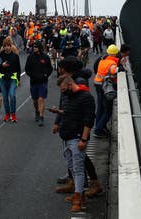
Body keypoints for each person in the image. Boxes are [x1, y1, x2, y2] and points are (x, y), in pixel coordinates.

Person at [50, 63, 95, 213]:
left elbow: (89, 119)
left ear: (70, 85)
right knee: (73, 168)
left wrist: (83, 139)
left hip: (76, 138)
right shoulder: (69, 97)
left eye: (63, 89)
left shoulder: (85, 97)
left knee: (78, 168)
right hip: (67, 137)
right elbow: (69, 113)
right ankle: (80, 194)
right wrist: (58, 113)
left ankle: (78, 199)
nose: (63, 93)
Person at [92, 44, 120, 138]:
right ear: (116, 54)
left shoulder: (102, 60)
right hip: (106, 87)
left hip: (98, 84)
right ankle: (98, 130)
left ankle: (99, 127)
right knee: (107, 110)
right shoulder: (112, 63)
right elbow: (114, 71)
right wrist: (122, 68)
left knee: (100, 108)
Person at [24, 42, 53, 126]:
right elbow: (27, 69)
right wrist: (32, 75)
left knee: (41, 99)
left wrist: (45, 75)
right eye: (33, 47)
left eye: (36, 47)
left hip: (43, 82)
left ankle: (41, 117)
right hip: (33, 81)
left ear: (39, 48)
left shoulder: (45, 57)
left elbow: (50, 68)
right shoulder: (30, 57)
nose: (34, 48)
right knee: (35, 100)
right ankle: (37, 111)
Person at [0, 37, 21, 122]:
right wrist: (1, 66)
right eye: (5, 46)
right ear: (3, 47)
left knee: (12, 96)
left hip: (12, 78)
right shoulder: (0, 56)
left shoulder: (15, 56)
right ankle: (7, 114)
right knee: (5, 97)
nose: (7, 47)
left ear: (11, 46)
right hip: (3, 79)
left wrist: (19, 79)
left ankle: (13, 114)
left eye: (8, 46)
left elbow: (18, 68)